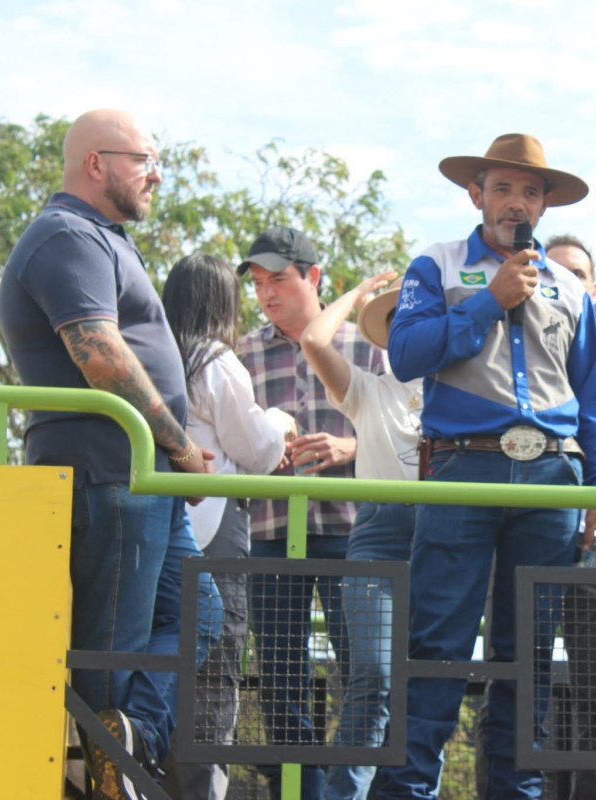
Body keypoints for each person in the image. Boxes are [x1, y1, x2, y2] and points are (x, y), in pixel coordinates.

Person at [371, 133, 596, 800]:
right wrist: (490, 300)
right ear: (475, 194)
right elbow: (405, 354)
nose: (517, 202)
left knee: (530, 656)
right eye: (503, 188)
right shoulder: (436, 264)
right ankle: (405, 792)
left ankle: (518, 792)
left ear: (544, 205)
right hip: (463, 469)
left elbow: (595, 398)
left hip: (554, 479)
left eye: (530, 192)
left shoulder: (572, 288)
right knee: (436, 645)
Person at [0, 108, 222, 800]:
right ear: (96, 164)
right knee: (110, 657)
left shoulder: (105, 238)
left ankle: (129, 739)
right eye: (143, 160)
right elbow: (99, 353)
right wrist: (180, 446)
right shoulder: (66, 234)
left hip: (142, 478)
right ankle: (100, 772)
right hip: (109, 475)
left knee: (200, 612)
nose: (156, 175)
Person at [236, 226, 385, 800]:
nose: (266, 293)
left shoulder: (366, 343)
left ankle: (356, 790)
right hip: (271, 531)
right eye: (257, 283)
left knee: (365, 672)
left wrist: (349, 447)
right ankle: (300, 792)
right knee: (279, 676)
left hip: (355, 530)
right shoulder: (242, 354)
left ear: (314, 277)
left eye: (277, 279)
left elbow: (408, 431)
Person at [160, 254, 297, 800]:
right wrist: (281, 422)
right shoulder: (216, 361)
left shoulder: (157, 356)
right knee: (218, 658)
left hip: (164, 527)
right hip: (215, 526)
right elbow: (259, 451)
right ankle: (202, 789)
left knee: (164, 651)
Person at [299, 271, 423, 800]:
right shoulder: (368, 390)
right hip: (378, 536)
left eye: (417, 320)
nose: (406, 331)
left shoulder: (461, 394)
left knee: (432, 683)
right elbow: (313, 340)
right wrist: (360, 293)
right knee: (372, 675)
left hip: (445, 538)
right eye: (394, 323)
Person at [541, 233, 596, 800]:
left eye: (577, 274)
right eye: (556, 272)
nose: (565, 281)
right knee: (519, 676)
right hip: (528, 527)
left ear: (592, 289)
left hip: (593, 540)